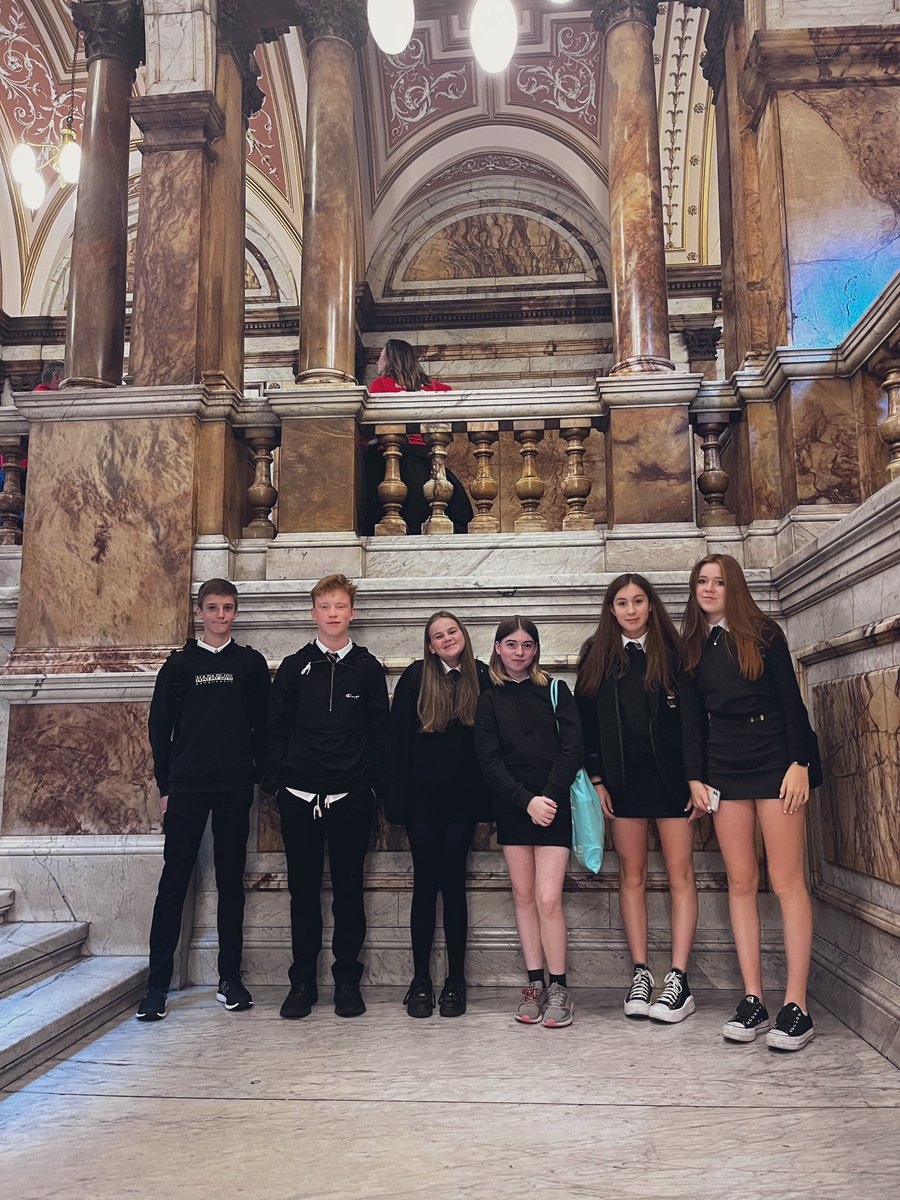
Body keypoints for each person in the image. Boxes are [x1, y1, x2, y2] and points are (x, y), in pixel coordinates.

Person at [679, 554, 821, 1051]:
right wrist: (695, 777)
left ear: (733, 587)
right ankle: (754, 999)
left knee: (785, 882)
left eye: (719, 581)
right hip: (723, 766)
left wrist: (800, 761)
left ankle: (797, 1005)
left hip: (777, 759)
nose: (709, 588)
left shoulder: (764, 633)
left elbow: (791, 700)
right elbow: (691, 721)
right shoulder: (693, 644)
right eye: (702, 581)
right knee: (740, 882)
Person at [137, 579, 271, 1021]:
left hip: (234, 787)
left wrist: (257, 774)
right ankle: (157, 986)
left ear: (235, 613)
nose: (219, 615)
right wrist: (166, 786)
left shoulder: (250, 664)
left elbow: (263, 726)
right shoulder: (178, 665)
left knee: (231, 883)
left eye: (227, 608)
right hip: (187, 787)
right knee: (174, 882)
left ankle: (229, 979)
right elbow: (160, 729)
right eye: (212, 608)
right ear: (199, 613)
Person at [263, 573, 389, 1020]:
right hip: (299, 796)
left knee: (349, 893)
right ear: (313, 613)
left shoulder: (369, 669)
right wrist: (276, 784)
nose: (333, 614)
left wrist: (371, 786)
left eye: (340, 606)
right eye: (325, 606)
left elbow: (380, 732)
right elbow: (276, 729)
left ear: (352, 613)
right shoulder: (295, 666)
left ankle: (347, 983)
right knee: (302, 893)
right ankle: (301, 982)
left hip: (351, 797)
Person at [575, 574, 697, 1023]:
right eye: (622, 602)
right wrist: (598, 778)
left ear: (651, 605)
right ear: (611, 610)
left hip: (673, 783)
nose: (630, 610)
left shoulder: (676, 651)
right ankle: (642, 972)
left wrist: (695, 778)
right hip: (623, 783)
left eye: (638, 601)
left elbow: (693, 720)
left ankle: (679, 978)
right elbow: (585, 722)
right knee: (632, 874)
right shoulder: (598, 655)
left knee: (681, 873)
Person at [475, 616, 583, 1028]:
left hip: (553, 806)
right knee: (523, 898)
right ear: (498, 649)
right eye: (511, 644)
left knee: (548, 899)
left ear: (535, 649)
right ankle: (533, 985)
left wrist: (548, 799)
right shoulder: (488, 699)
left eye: (527, 644)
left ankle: (559, 987)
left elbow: (573, 748)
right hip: (514, 806)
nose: (519, 652)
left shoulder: (556, 690)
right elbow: (488, 759)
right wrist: (525, 802)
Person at [385, 611, 492, 1019]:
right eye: (438, 635)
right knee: (425, 887)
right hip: (421, 804)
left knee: (454, 887)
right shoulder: (415, 677)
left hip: (462, 804)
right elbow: (396, 745)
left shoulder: (481, 676)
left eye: (452, 631)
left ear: (463, 636)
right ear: (430, 645)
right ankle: (420, 982)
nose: (446, 639)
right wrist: (396, 803)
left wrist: (486, 803)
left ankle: (455, 981)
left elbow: (487, 746)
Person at [365, 337, 473, 534]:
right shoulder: (429, 386)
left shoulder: (380, 384)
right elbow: (459, 395)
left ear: (390, 359)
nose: (377, 362)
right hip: (426, 459)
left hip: (392, 459)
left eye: (380, 357)